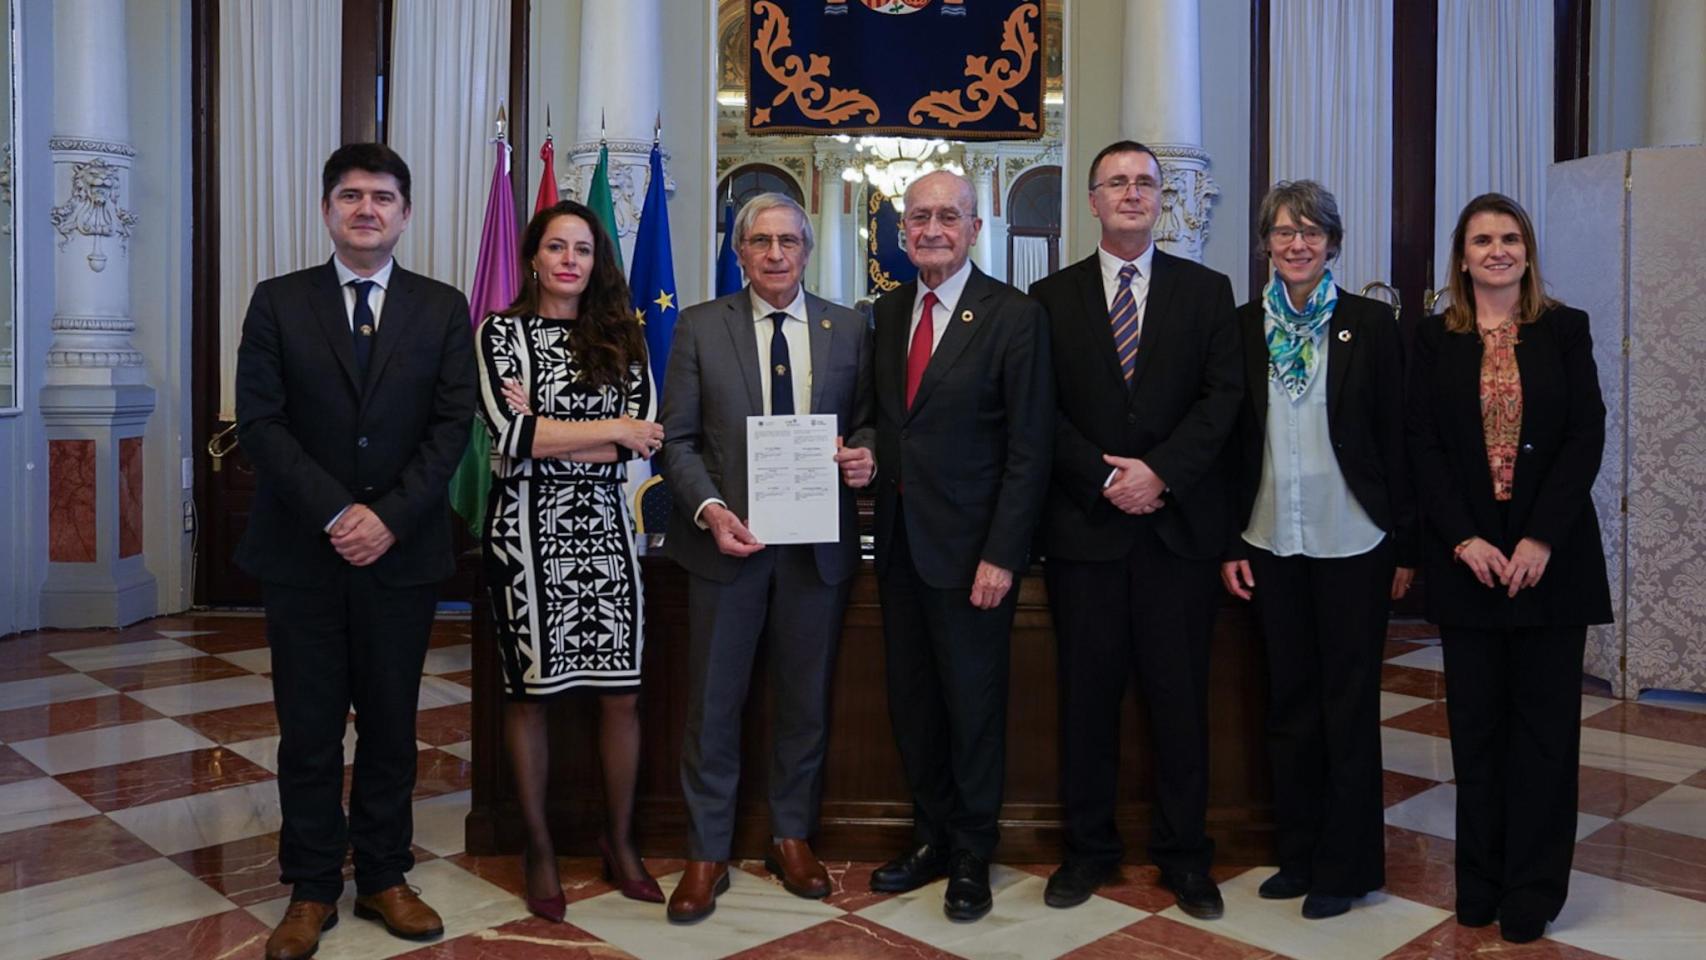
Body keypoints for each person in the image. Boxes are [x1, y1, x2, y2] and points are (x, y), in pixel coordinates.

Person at [235, 143, 475, 960]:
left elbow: (452, 430)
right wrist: (341, 513)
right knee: (306, 729)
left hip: (401, 557)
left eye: (382, 196)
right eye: (349, 195)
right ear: (327, 209)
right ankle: (309, 888)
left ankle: (383, 875)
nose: (366, 208)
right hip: (302, 552)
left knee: (390, 727)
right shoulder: (277, 302)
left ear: (405, 213)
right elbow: (260, 426)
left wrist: (388, 519)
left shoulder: (443, 309)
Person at [1027, 141, 1241, 919]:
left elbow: (1222, 402)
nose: (1131, 193)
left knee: (1180, 703)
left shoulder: (1207, 291)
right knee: (1086, 703)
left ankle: (1186, 858)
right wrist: (1105, 476)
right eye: (1116, 182)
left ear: (1161, 200)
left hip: (1176, 537)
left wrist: (1161, 473)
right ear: (1091, 201)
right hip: (1086, 535)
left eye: (1145, 183)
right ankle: (1087, 852)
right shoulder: (1047, 299)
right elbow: (1037, 411)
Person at [658, 193, 876, 923]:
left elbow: (871, 421)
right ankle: (706, 851)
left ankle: (791, 836)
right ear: (740, 251)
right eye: (760, 241)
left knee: (804, 703)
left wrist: (865, 455)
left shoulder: (849, 327)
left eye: (788, 240)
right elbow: (678, 439)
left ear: (807, 250)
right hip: (727, 548)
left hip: (815, 551)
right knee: (714, 706)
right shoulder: (698, 327)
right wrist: (711, 510)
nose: (776, 253)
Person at [1407, 192, 1611, 944]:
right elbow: (1420, 443)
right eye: (1482, 239)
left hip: (1550, 565)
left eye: (1510, 238)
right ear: (1461, 257)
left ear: (1527, 251)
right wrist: (1463, 538)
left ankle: (1533, 887)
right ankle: (1480, 880)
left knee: (1546, 735)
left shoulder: (1565, 329)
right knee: (1477, 731)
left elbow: (1585, 436)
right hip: (1470, 565)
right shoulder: (1433, 340)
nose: (1497, 250)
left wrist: (1540, 540)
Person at [1220, 181, 1415, 919]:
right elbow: (1232, 445)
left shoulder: (1371, 324)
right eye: (1282, 231)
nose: (1296, 244)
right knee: (1289, 705)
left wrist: (1406, 543)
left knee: (1348, 706)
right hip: (1271, 538)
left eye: (1310, 232)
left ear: (1333, 243)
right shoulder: (1243, 329)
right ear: (1265, 243)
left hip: (1354, 538)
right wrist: (1227, 539)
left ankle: (1349, 866)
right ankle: (1298, 855)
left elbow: (1399, 437)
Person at [867, 171, 1053, 922]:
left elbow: (1029, 448)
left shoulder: (1012, 316)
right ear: (902, 230)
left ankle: (973, 852)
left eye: (949, 216)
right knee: (913, 703)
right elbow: (882, 422)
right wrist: (861, 448)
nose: (932, 228)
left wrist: (1002, 554)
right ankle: (931, 837)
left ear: (976, 229)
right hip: (900, 550)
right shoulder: (885, 314)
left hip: (975, 556)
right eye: (919, 217)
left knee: (972, 708)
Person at [475, 200, 664, 921]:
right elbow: (510, 434)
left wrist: (559, 432)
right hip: (524, 534)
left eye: (583, 250)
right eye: (557, 247)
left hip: (607, 533)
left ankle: (619, 843)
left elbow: (640, 444)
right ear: (533, 255)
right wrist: (607, 425)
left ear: (596, 263)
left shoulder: (624, 335)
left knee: (621, 693)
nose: (569, 261)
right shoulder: (501, 332)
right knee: (531, 696)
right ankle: (541, 848)